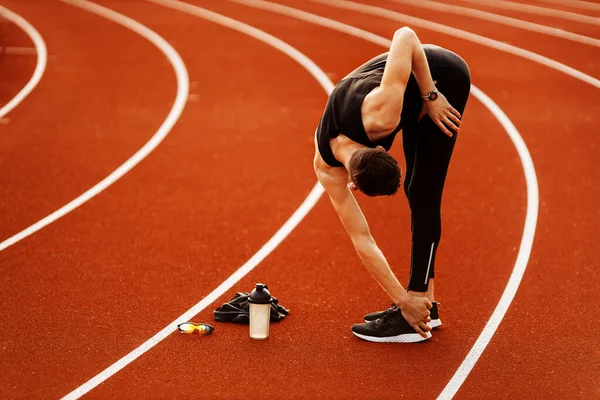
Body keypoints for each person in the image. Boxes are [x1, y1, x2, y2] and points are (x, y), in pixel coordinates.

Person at [313, 27, 471, 343]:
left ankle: (419, 303)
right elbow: (363, 239)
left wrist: (432, 96)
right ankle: (421, 305)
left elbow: (406, 36)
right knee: (418, 189)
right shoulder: (326, 169)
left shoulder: (381, 115)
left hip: (440, 73)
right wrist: (401, 299)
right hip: (407, 95)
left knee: (423, 190)